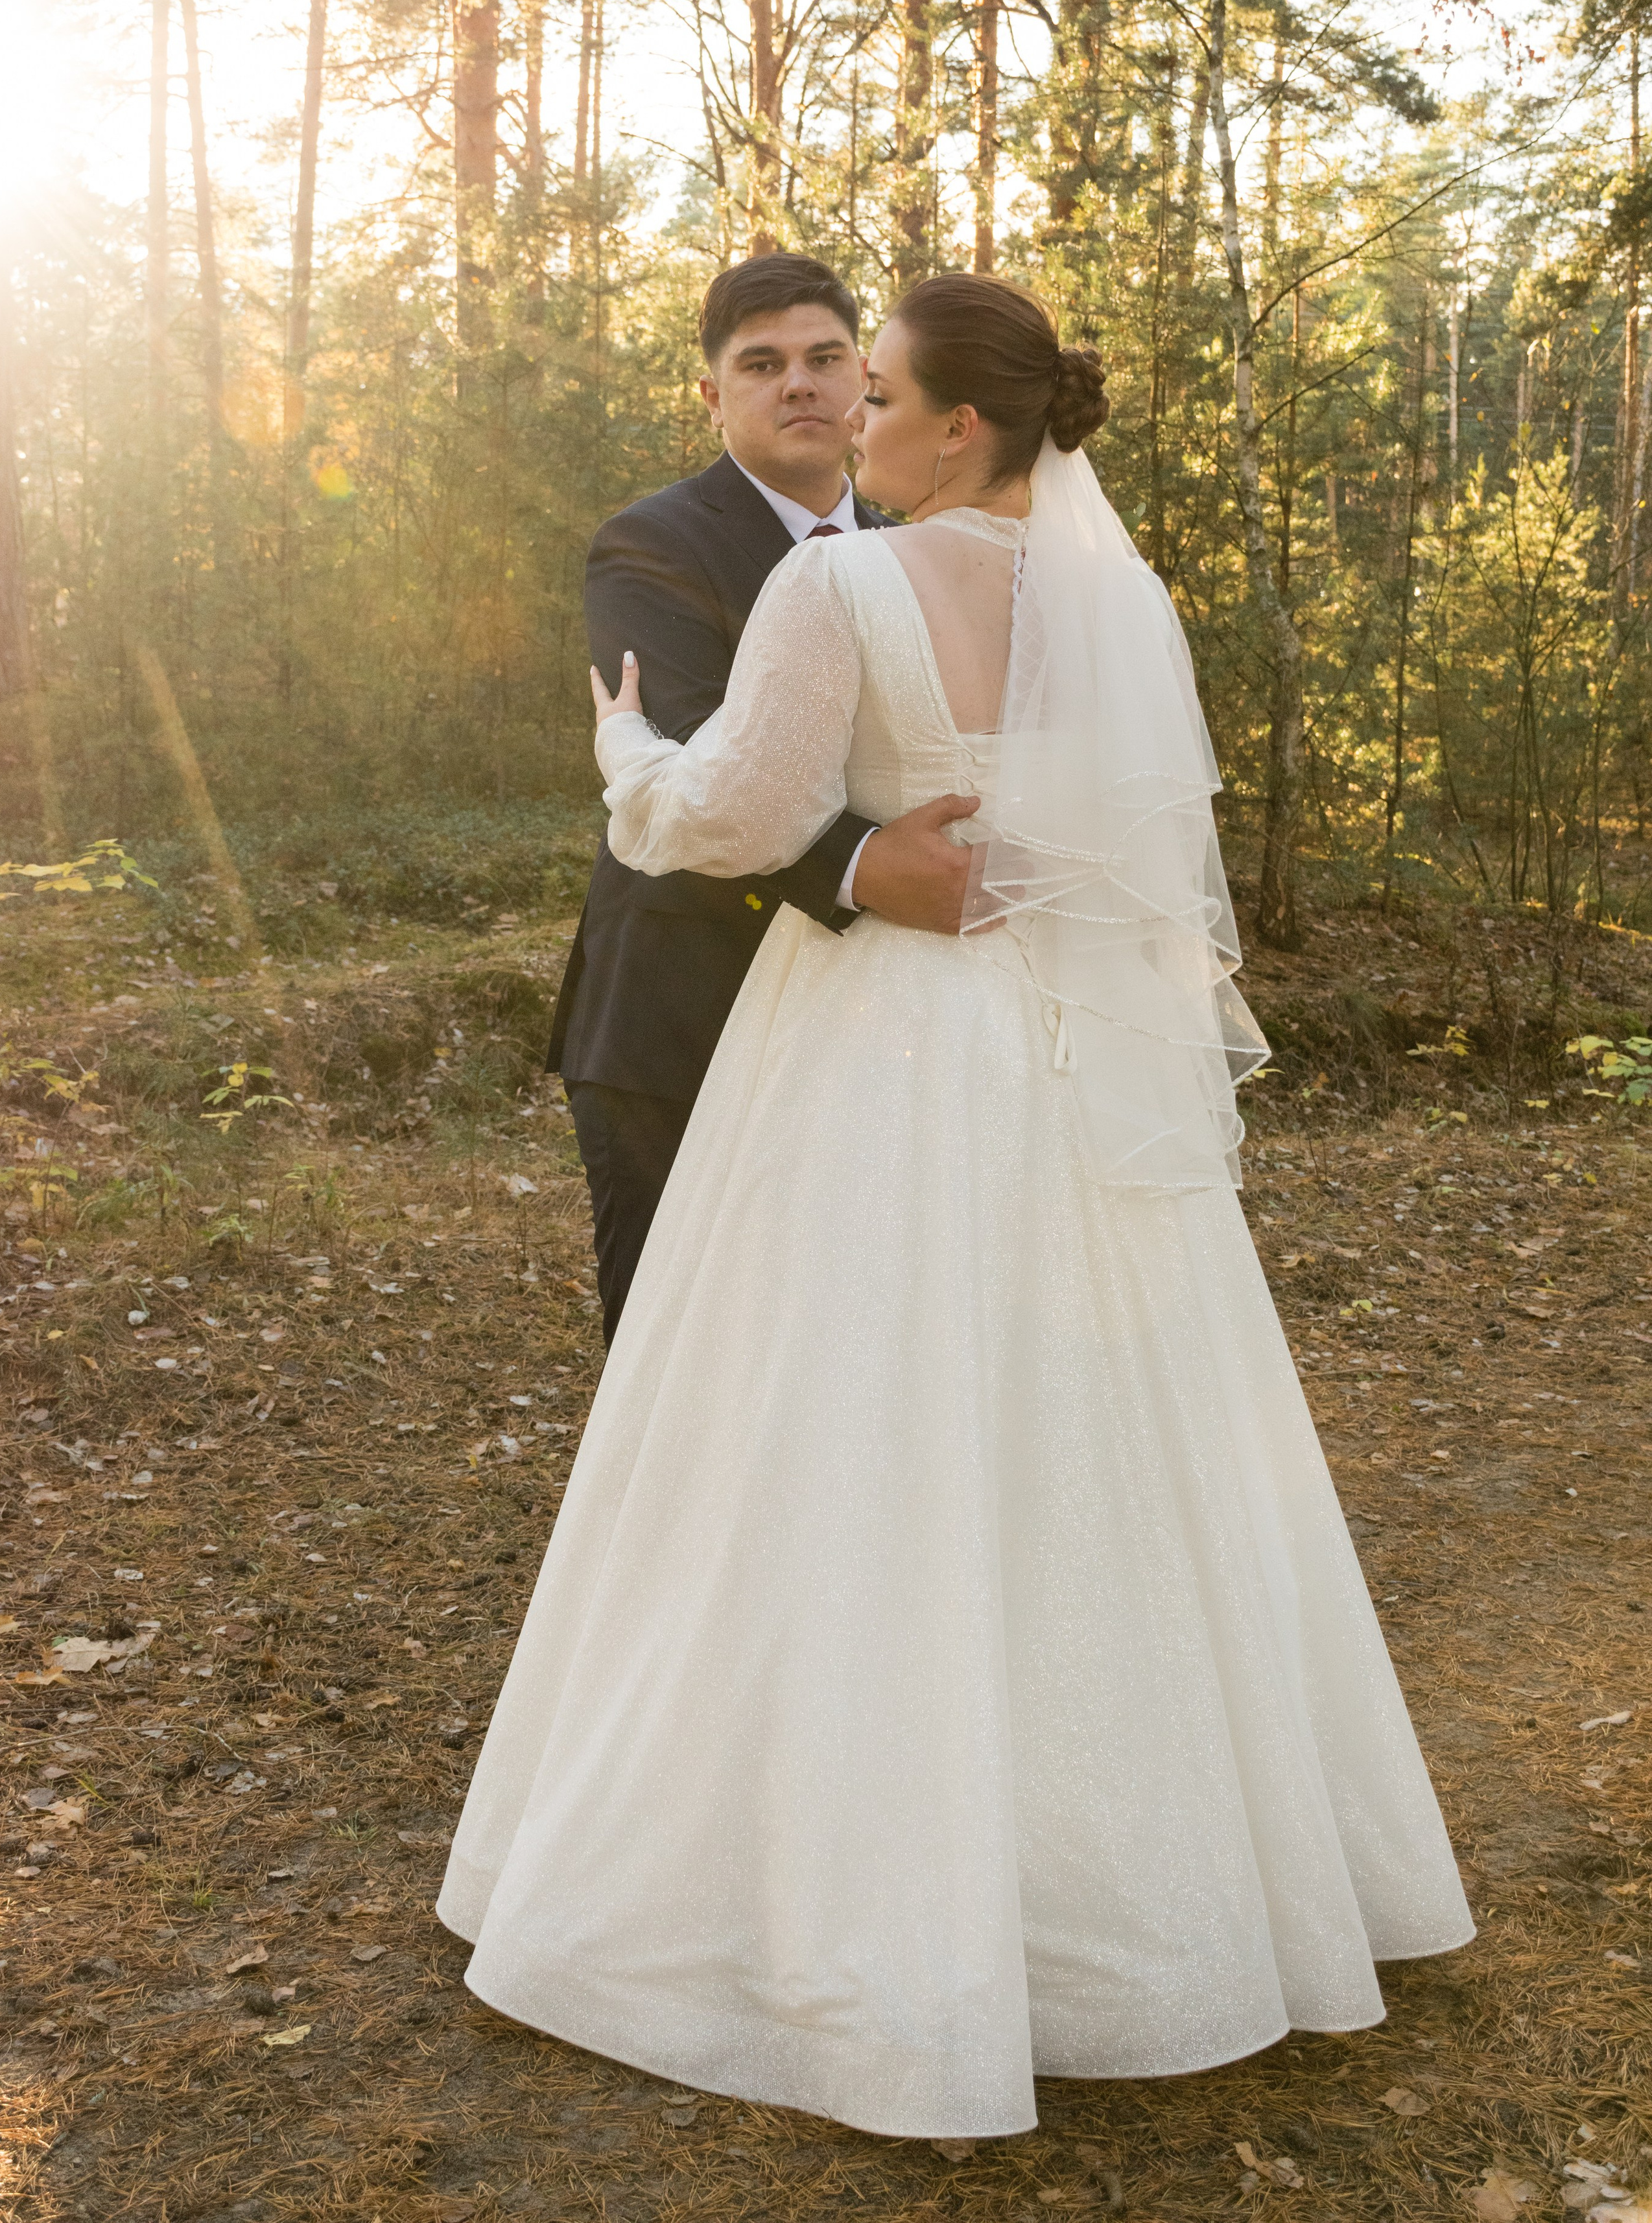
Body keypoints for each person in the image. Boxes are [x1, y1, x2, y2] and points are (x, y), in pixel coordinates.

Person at [441, 274, 1472, 2143]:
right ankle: (1173, 1894)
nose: (856, 418)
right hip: (1065, 1053)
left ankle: (817, 1882)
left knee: (827, 1426)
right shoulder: (1119, 601)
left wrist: (624, 768)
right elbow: (1133, 859)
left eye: (881, 388)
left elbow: (737, 814)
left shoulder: (842, 582)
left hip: (878, 1056)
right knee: (1091, 1439)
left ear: (953, 427)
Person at [546, 251, 981, 1345]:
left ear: (867, 379)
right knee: (677, 1348)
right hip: (681, 1011)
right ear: (713, 395)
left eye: (827, 359)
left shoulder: (916, 548)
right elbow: (696, 759)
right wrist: (862, 862)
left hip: (868, 1017)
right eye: (764, 364)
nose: (800, 384)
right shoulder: (653, 544)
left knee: (828, 1355)